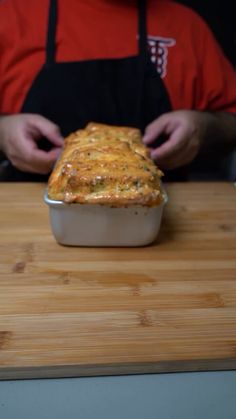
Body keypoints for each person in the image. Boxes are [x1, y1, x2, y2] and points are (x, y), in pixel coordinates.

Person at [0, 0, 236, 181]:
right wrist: (3, 131)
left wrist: (204, 127)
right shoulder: (10, 16)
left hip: (153, 215)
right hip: (27, 219)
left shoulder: (185, 26)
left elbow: (231, 123)